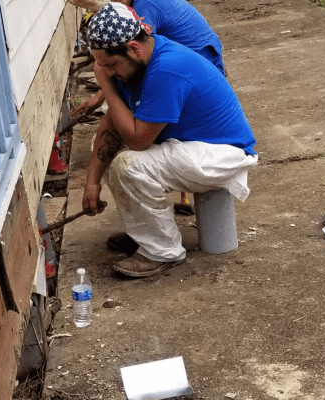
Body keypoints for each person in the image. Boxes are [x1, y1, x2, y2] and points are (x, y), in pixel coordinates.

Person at [82, 2, 258, 278]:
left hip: (222, 153)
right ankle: (147, 233)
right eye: (102, 66)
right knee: (108, 148)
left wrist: (106, 87)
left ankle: (161, 251)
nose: (107, 72)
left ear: (133, 49)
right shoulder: (137, 64)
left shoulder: (166, 69)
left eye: (111, 65)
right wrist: (91, 182)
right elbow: (112, 126)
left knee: (128, 165)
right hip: (191, 145)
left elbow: (139, 140)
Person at [74, 0, 225, 117]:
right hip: (200, 60)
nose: (115, 2)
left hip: (205, 68)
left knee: (134, 74)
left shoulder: (145, 6)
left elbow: (138, 54)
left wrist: (103, 95)